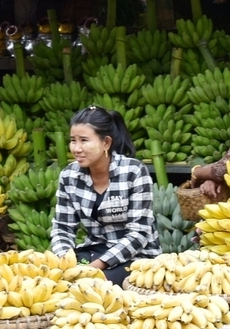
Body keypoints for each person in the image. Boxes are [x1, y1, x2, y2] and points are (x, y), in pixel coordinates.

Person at [50, 106, 161, 285]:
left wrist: (94, 268)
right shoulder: (69, 176)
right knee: (59, 281)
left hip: (136, 256)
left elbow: (138, 233)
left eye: (84, 140)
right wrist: (65, 260)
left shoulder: (133, 171)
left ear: (106, 143)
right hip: (95, 251)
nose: (76, 148)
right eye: (73, 141)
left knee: (95, 284)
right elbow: (62, 227)